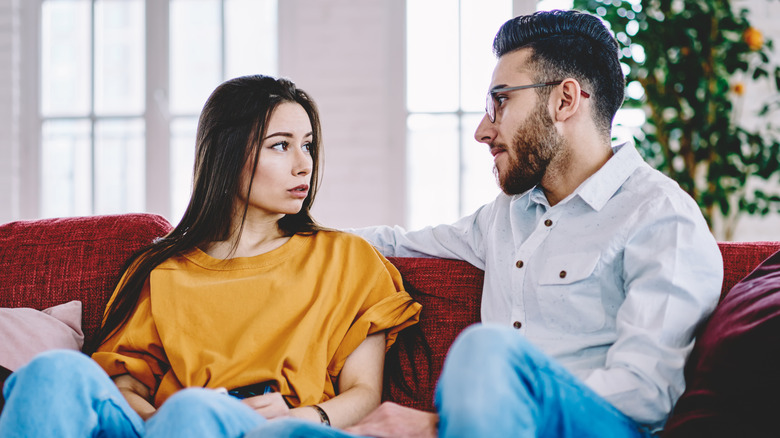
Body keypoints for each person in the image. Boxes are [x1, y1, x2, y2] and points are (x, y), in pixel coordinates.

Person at [298, 9, 721, 438]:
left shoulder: (661, 217)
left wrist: (445, 423)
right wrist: (281, 236)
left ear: (565, 100)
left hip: (601, 428)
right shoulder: (509, 215)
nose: (483, 130)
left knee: (487, 349)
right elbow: (397, 244)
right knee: (293, 435)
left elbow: (644, 393)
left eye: (499, 102)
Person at [0, 75, 421, 437]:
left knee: (193, 408)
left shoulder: (347, 258)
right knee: (50, 372)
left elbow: (365, 393)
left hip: (283, 427)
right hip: (174, 424)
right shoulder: (164, 269)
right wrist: (164, 421)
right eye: (280, 146)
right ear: (228, 153)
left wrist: (299, 416)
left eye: (307, 146)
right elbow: (127, 387)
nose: (303, 165)